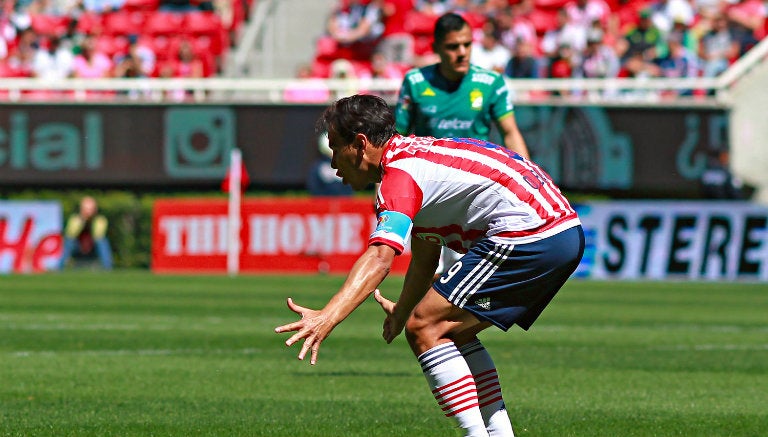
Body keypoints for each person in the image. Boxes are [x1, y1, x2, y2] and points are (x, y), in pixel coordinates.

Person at [275, 94, 584, 437]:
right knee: (451, 328)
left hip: (531, 236)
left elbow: (380, 257)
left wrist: (327, 316)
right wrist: (403, 309)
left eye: (335, 147)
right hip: (560, 235)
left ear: (361, 144)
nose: (333, 162)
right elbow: (425, 258)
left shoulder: (399, 175)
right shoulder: (416, 159)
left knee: (425, 327)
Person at [394, 11, 530, 276]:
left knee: (461, 271)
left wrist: (526, 177)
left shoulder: (491, 83)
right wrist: (383, 187)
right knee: (428, 270)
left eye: (467, 45)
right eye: (453, 46)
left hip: (475, 189)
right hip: (429, 190)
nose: (462, 52)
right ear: (435, 48)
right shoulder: (415, 82)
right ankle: (419, 316)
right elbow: (396, 138)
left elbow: (510, 132)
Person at [59, 196, 113, 270]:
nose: (88, 212)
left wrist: (92, 221)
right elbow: (71, 234)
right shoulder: (75, 219)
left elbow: (98, 235)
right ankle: (59, 267)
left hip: (93, 247)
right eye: (86, 209)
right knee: (69, 241)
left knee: (102, 241)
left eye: (90, 209)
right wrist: (82, 220)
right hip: (78, 247)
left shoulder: (100, 220)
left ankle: (108, 267)